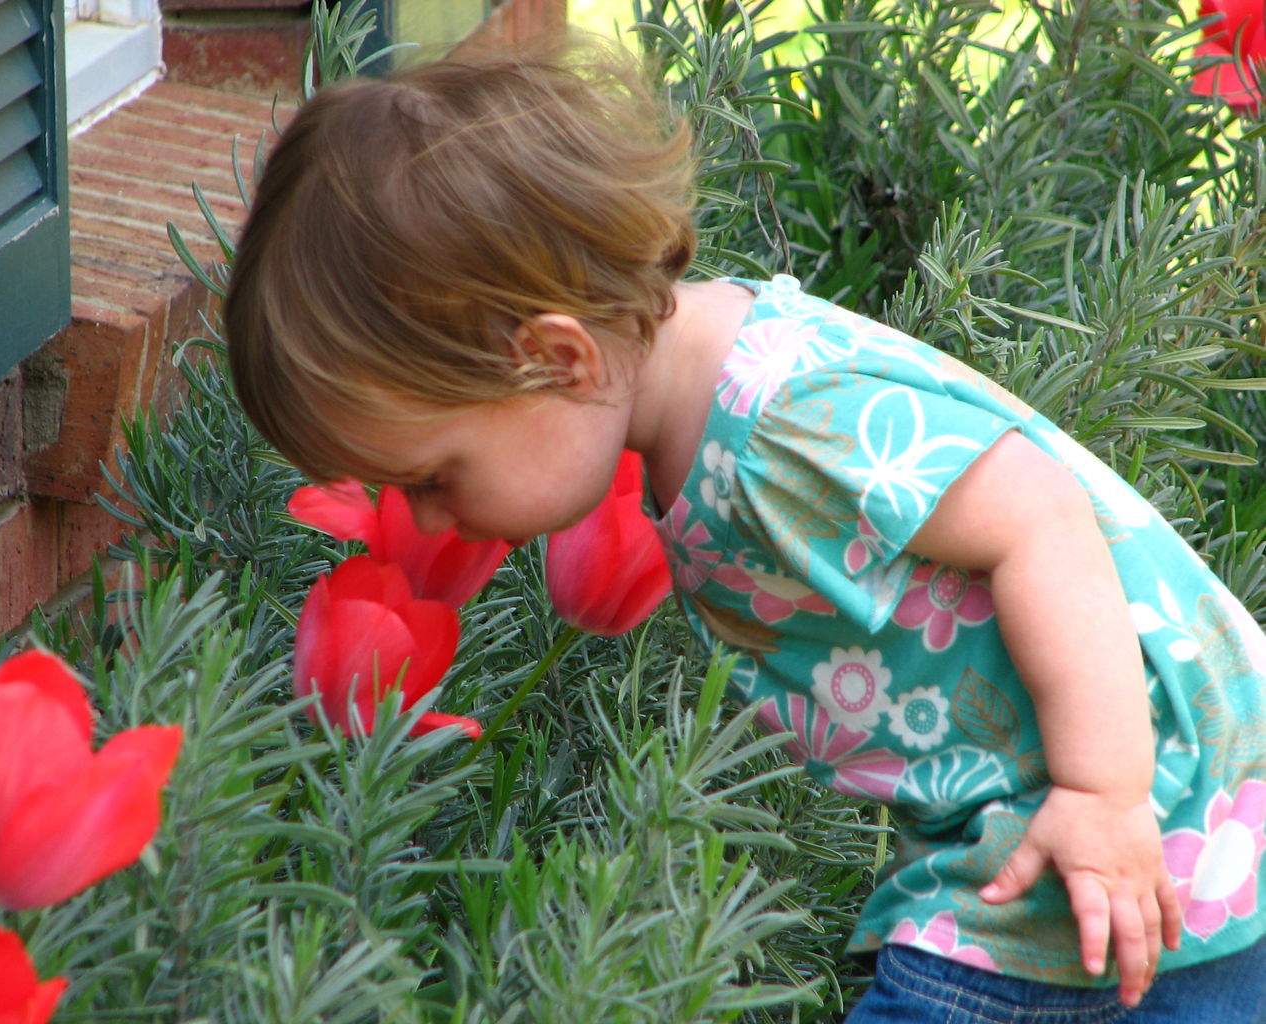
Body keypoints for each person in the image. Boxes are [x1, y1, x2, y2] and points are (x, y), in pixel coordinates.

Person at [222, 37, 1266, 1024]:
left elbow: (1040, 513)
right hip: (1069, 816)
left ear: (560, 357)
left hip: (1134, 817)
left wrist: (1101, 791)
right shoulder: (709, 394)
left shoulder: (783, 427)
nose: (430, 518)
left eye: (436, 476)